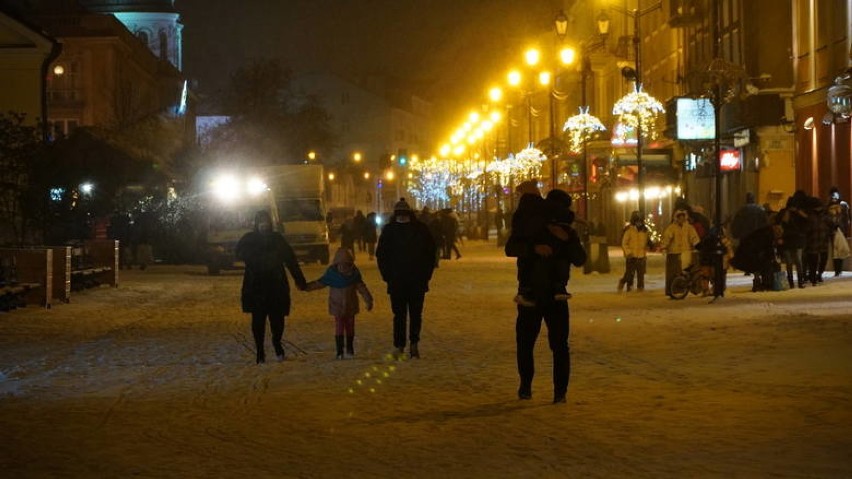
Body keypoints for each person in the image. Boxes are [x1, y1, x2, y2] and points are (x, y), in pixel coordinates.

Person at [504, 182, 586, 404]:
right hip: (534, 294)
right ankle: (529, 387)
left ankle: (556, 392)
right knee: (532, 344)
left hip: (550, 294)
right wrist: (534, 248)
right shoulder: (530, 228)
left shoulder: (565, 232)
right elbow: (511, 247)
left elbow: (580, 259)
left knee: (554, 345)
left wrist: (566, 238)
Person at [235, 210, 307, 364]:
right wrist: (253, 256)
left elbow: (291, 261)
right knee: (258, 321)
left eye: (266, 221)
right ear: (256, 223)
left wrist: (300, 280)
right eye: (261, 222)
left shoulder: (278, 239)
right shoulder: (249, 239)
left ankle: (277, 343)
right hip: (256, 287)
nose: (264, 225)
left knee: (277, 320)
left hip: (276, 286)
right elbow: (239, 253)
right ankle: (260, 351)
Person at [376, 198, 437, 359]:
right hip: (416, 280)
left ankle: (400, 345)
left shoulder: (389, 230)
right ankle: (413, 343)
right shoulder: (421, 229)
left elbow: (381, 255)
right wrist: (426, 275)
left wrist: (387, 276)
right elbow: (431, 255)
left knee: (399, 315)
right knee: (415, 314)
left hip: (397, 281)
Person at [305, 248, 373, 359]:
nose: (342, 267)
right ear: (336, 264)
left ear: (350, 264)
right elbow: (320, 283)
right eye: (340, 265)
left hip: (350, 306)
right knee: (339, 327)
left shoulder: (354, 276)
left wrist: (368, 300)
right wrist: (306, 287)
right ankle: (340, 350)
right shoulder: (332, 275)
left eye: (345, 265)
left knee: (350, 328)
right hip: (337, 306)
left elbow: (362, 289)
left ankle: (350, 348)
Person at [660, 209, 700, 298]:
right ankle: (674, 290)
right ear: (676, 218)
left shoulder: (689, 228)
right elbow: (667, 238)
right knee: (674, 272)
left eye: (683, 217)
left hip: (686, 252)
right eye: (679, 217)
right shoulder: (671, 228)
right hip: (674, 253)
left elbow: (694, 238)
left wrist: (697, 246)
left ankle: (689, 288)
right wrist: (664, 247)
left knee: (688, 271)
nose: (681, 219)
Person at [618, 210, 649, 292]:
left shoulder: (644, 231)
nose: (639, 223)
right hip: (631, 256)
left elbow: (645, 242)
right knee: (629, 273)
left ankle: (640, 287)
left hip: (641, 256)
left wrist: (645, 252)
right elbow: (624, 243)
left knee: (640, 274)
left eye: (640, 221)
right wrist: (628, 252)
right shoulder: (629, 230)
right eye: (637, 221)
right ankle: (628, 285)